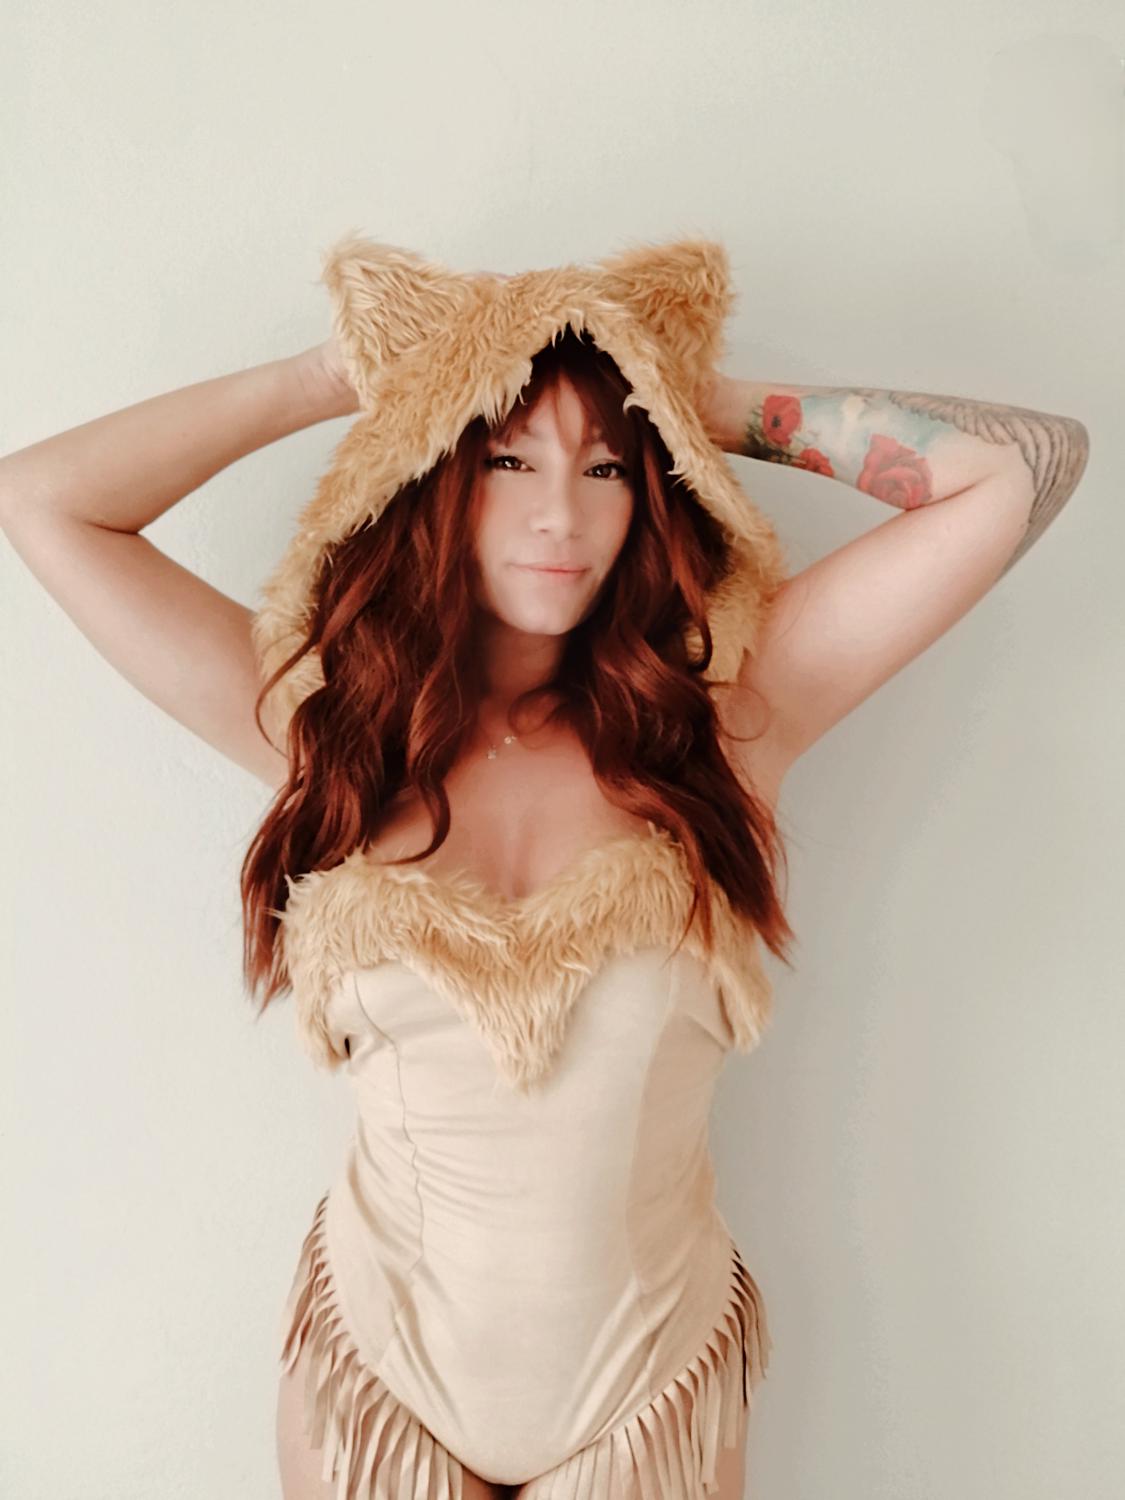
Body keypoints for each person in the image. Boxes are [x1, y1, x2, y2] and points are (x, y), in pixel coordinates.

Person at [0, 236, 1090, 1500]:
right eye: (509, 458)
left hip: (648, 1389)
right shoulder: (327, 730)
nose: (561, 513)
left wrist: (676, 390)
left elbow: (1021, 471)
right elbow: (42, 499)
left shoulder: (731, 720)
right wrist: (344, 374)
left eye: (607, 465)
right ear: (439, 472)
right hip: (379, 1380)